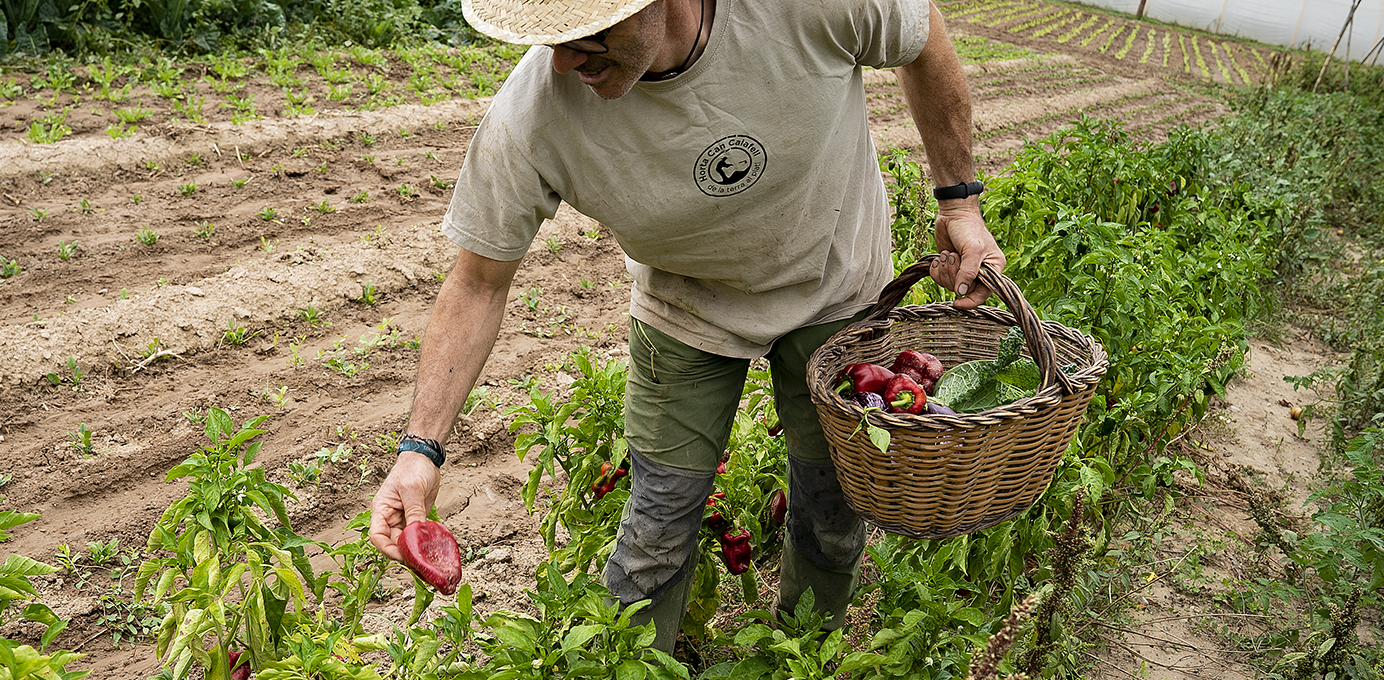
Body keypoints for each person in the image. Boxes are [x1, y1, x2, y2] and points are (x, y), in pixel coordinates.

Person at [366, 0, 1005, 652]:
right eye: (554, 37)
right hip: (686, 303)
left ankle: (804, 653)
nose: (563, 60)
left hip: (833, 282)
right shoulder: (534, 112)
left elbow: (923, 36)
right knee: (658, 522)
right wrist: (420, 451)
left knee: (829, 508)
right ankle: (636, 662)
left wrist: (960, 203)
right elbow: (477, 283)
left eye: (589, 33)